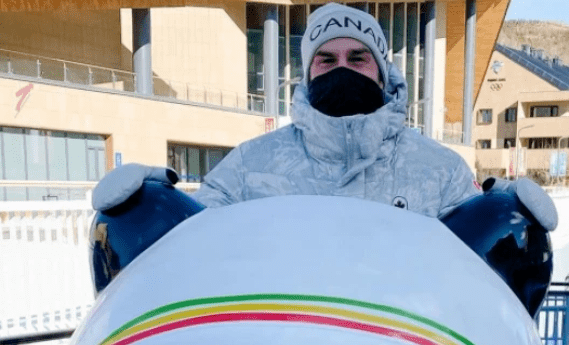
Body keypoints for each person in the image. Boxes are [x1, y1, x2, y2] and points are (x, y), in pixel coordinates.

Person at [93, 2, 482, 219]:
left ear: (382, 72)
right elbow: (191, 233)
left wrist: (510, 214)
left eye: (358, 57)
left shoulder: (441, 171)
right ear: (308, 72)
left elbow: (482, 261)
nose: (342, 68)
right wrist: (150, 202)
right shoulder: (252, 165)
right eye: (326, 59)